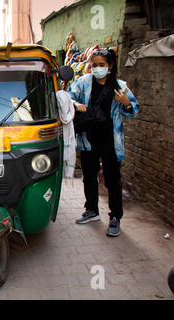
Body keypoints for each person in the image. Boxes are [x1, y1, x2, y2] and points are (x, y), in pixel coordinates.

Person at [68, 49, 140, 237]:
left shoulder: (120, 86)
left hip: (110, 141)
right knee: (89, 176)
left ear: (110, 66)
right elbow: (66, 97)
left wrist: (125, 102)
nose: (98, 68)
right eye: (94, 65)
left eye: (102, 65)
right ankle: (91, 210)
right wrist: (76, 105)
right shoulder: (83, 83)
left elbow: (134, 110)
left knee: (112, 180)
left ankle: (115, 217)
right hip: (88, 140)